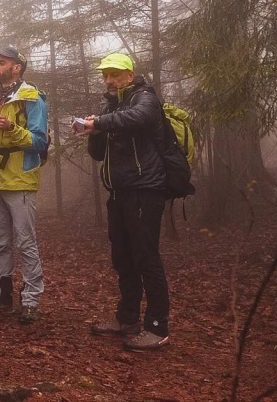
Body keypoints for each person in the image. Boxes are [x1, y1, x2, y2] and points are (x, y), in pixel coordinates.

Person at [82, 52, 172, 351]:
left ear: (129, 76)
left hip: (145, 189)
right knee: (123, 258)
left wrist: (102, 122)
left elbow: (141, 117)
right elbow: (98, 154)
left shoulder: (144, 97)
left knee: (146, 257)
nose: (109, 80)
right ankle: (127, 318)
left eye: (115, 74)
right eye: (105, 75)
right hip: (119, 192)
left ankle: (157, 326)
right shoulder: (111, 105)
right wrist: (93, 131)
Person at [0, 46, 48, 324]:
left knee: (25, 241)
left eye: (2, 62)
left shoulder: (32, 97)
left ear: (17, 67)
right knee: (1, 242)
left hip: (19, 178)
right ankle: (0, 296)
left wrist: (11, 128)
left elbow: (40, 140)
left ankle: (30, 299)